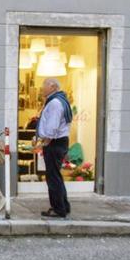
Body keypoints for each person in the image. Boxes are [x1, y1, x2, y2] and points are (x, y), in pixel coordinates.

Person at [36, 78, 72, 218]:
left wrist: (45, 141)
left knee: (52, 177)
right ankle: (64, 206)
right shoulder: (59, 100)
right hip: (59, 141)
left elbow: (52, 124)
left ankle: (58, 209)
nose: (42, 88)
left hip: (54, 142)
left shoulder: (55, 103)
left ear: (52, 86)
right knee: (56, 176)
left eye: (44, 85)